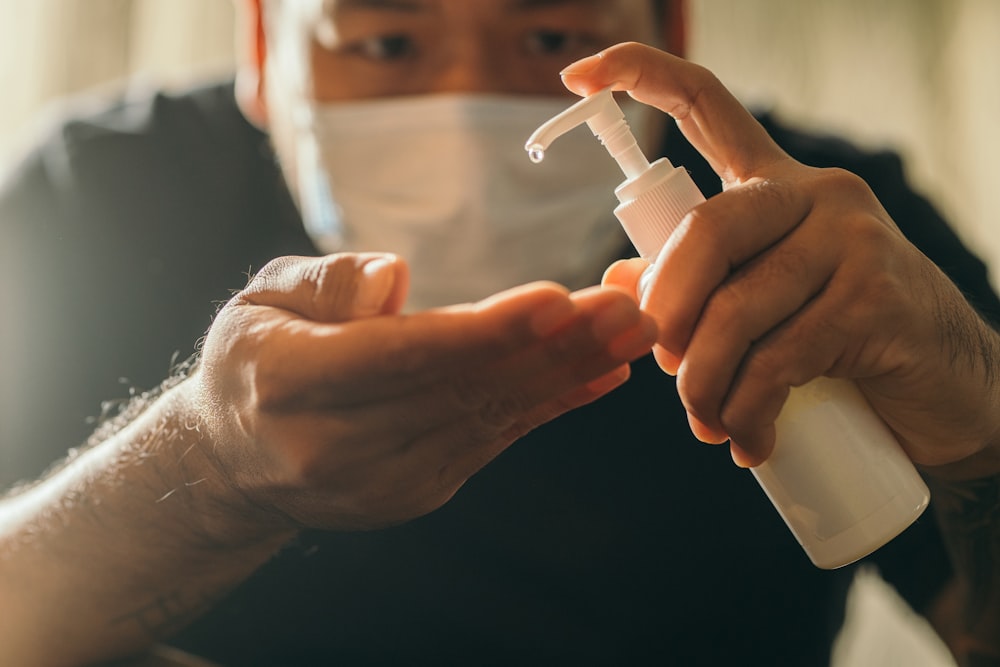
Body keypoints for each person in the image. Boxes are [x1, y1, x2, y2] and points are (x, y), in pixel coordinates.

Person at [1, 1, 997, 664]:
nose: (467, 118)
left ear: (667, 30)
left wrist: (978, 415)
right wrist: (208, 471)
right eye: (387, 43)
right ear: (263, 42)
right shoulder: (94, 200)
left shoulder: (836, 241)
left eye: (549, 37)